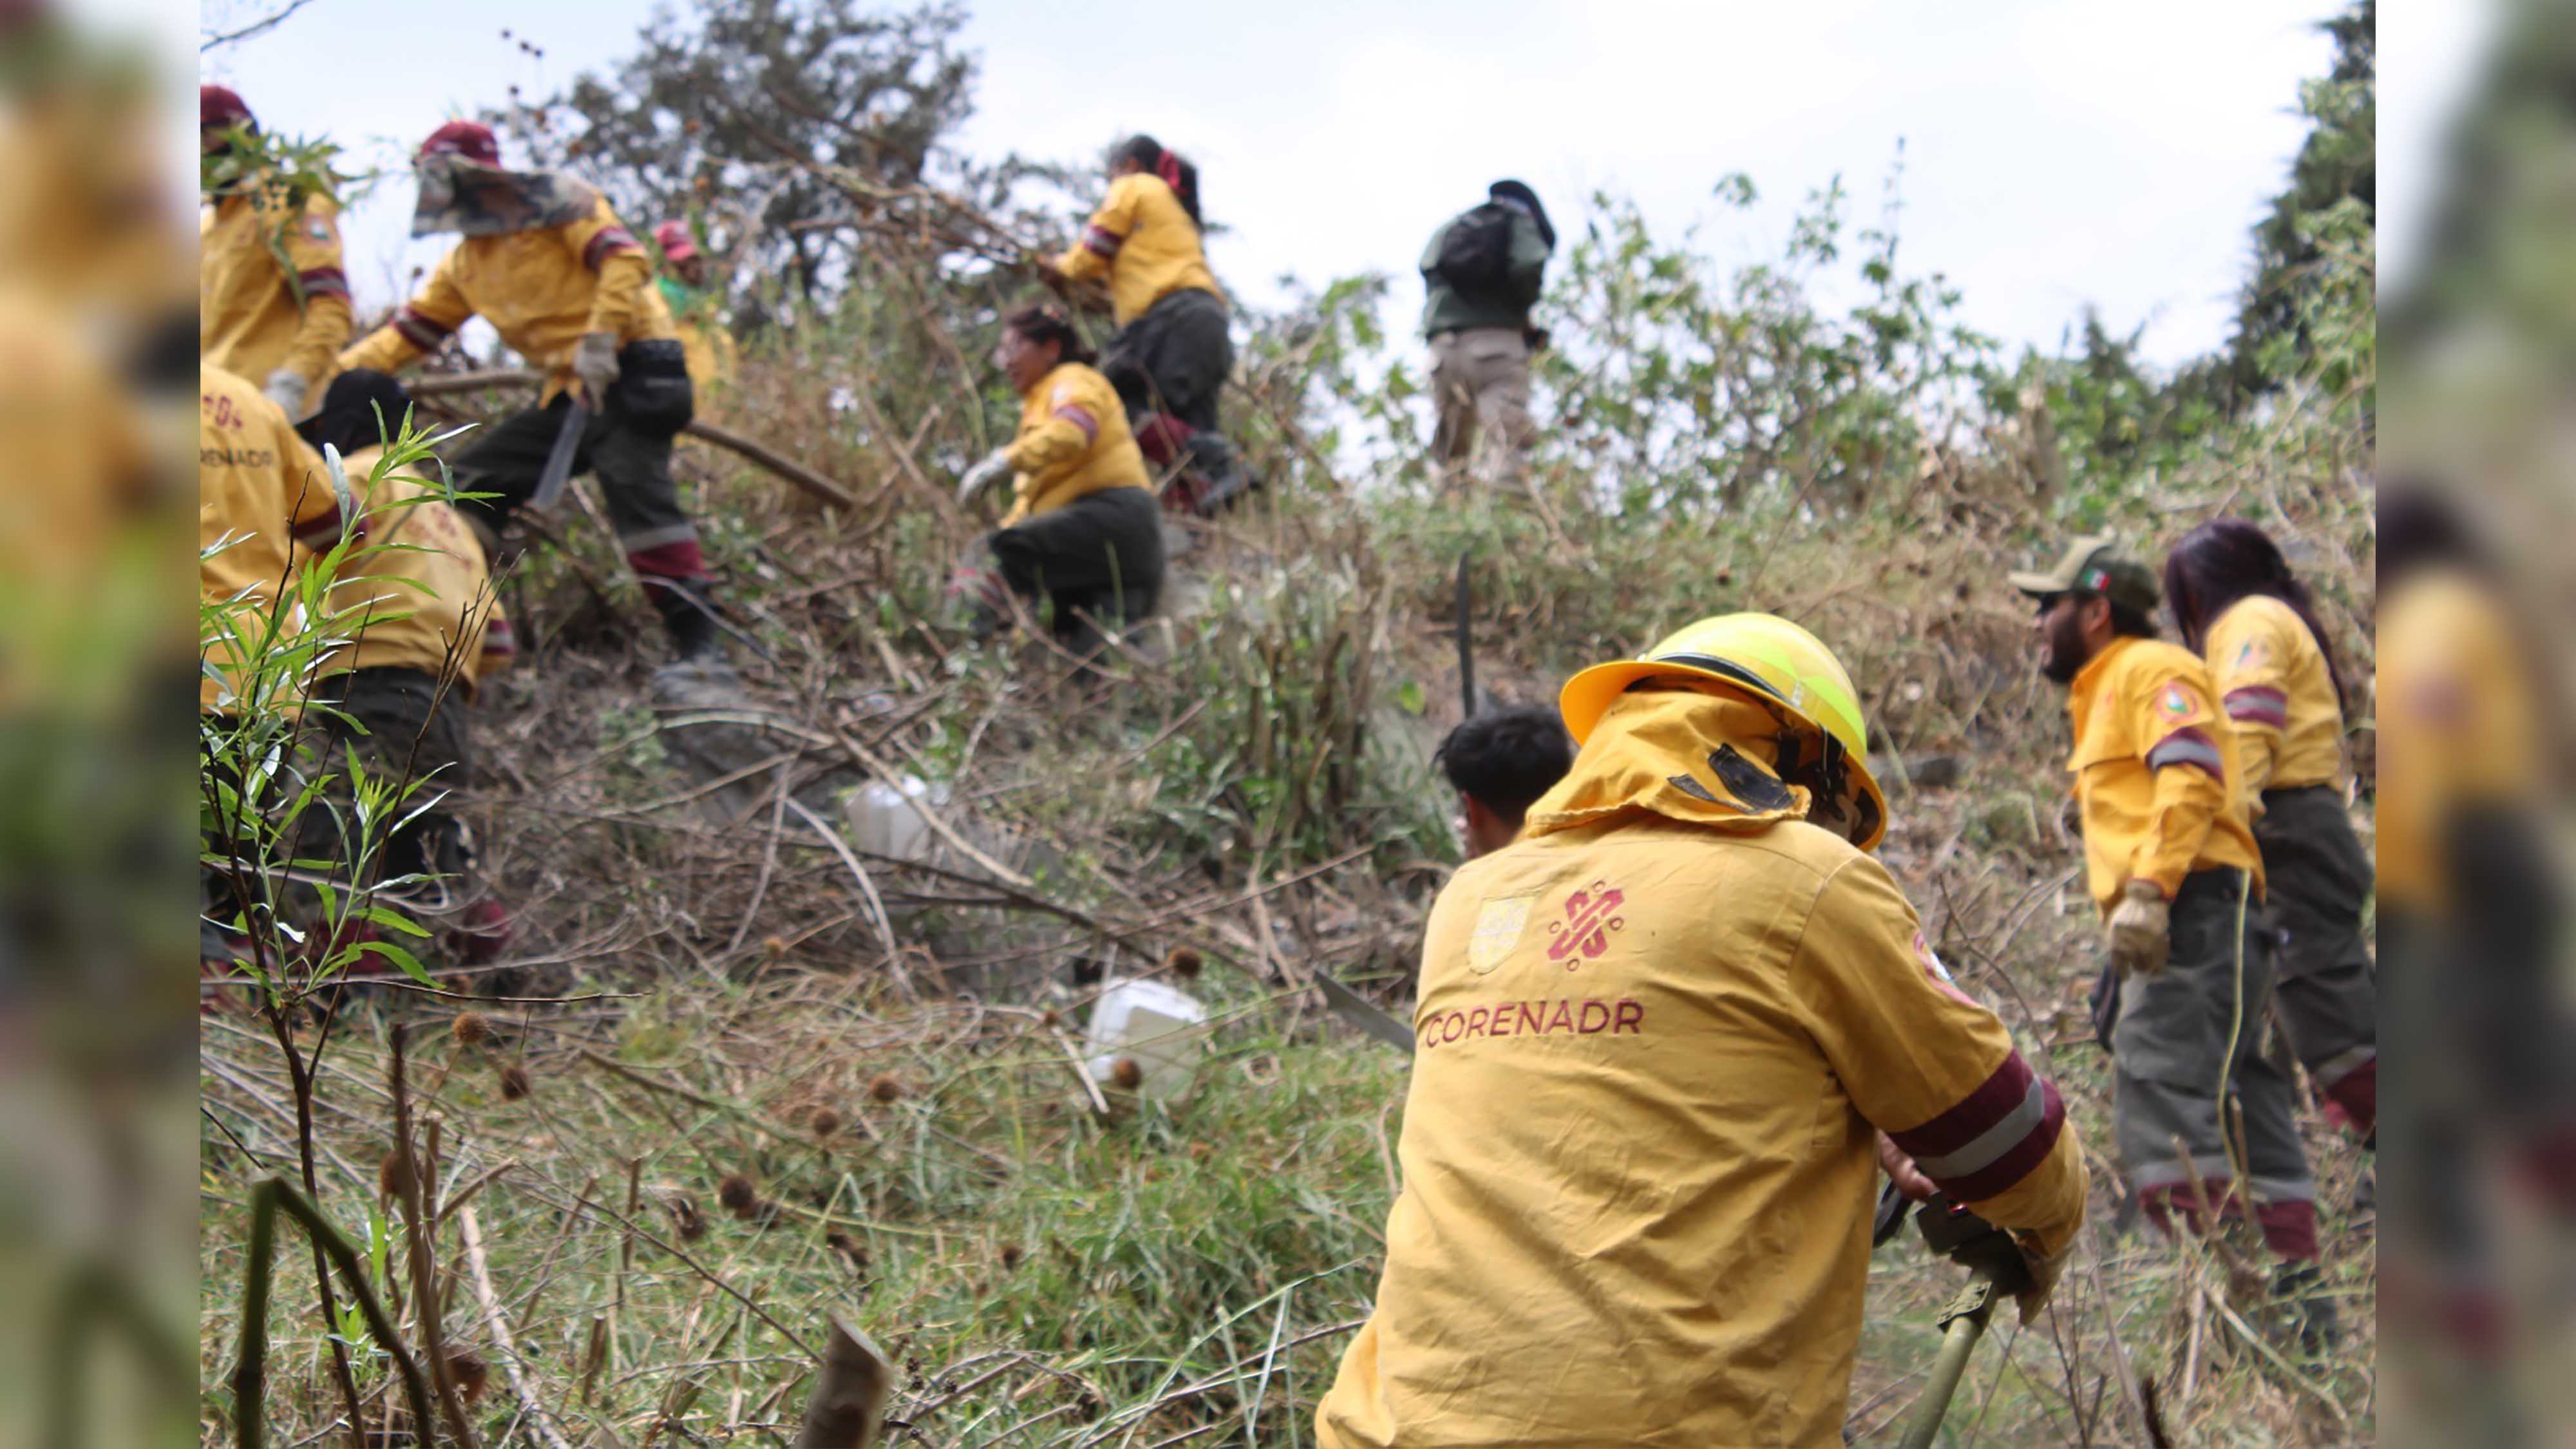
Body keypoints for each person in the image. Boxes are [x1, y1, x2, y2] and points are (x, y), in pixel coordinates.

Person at [1315, 614, 2087, 1448]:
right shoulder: (1808, 878)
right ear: (1804, 764)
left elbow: (1652, 1076)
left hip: (1388, 1425)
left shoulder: (1472, 898)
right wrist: (2041, 1220)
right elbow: (2013, 1145)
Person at [2012, 534, 2325, 1301]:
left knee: (2157, 1080)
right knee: (2243, 1093)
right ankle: (2298, 1293)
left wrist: (2149, 892)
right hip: (2202, 911)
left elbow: (2188, 774)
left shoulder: (2150, 670)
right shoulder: (2108, 685)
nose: (2035, 623)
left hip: (2192, 910)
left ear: (2094, 610)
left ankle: (2192, 1294)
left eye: (2046, 606)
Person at [337, 121, 721, 668]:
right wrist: (326, 378)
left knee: (639, 498)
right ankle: (462, 623)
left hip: (637, 373)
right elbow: (408, 336)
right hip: (572, 393)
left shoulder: (561, 206)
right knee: (469, 488)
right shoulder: (466, 264)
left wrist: (601, 338)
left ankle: (701, 647)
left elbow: (626, 261)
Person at [292, 369, 516, 965]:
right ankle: (500, 982)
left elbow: (315, 532)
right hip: (445, 701)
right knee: (429, 846)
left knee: (334, 845)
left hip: (368, 682)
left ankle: (337, 1007)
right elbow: (498, 645)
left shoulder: (358, 473)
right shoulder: (447, 515)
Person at [2163, 519, 2375, 1144]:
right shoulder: (2274, 617)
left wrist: (2213, 832)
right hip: (2300, 827)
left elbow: (2247, 733)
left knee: (2323, 1007)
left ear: (2198, 592)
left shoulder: (2250, 623)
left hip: (2289, 829)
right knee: (2316, 998)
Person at [1045, 134, 1248, 515]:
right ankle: (1194, 520)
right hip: (1208, 321)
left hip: (1169, 317)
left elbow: (1091, 252)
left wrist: (1058, 267)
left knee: (1107, 404)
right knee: (1186, 433)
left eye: (1112, 175)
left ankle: (1224, 462)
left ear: (1129, 166)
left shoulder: (1136, 186)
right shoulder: (1175, 212)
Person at [952, 304, 1163, 654]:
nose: (1005, 361)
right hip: (1123, 545)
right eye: (1002, 351)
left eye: (1014, 347)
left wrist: (1004, 460)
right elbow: (1033, 508)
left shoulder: (1070, 380)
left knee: (991, 554)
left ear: (1051, 348)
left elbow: (1072, 432)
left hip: (1113, 520)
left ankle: (953, 655)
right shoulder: (1039, 403)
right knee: (1094, 663)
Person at [199, 86, 351, 422]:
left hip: (275, 409)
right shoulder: (209, 229)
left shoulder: (287, 202)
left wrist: (293, 383)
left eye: (202, 139)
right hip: (213, 411)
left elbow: (329, 304)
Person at [1420, 180, 1554, 491]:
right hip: (1498, 349)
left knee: (1451, 455)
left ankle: (1448, 522)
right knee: (1508, 447)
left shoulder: (1454, 227)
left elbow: (1427, 266)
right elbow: (1529, 264)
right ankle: (1508, 531)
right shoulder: (1518, 222)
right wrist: (1519, 309)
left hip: (1443, 352)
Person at [1432, 705, 1571, 858]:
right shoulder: (1596, 854)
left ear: (1473, 810)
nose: (1460, 824)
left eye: (1463, 810)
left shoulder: (1480, 880)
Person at [653, 218, 738, 414]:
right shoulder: (657, 314)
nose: (693, 268)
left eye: (695, 260)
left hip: (715, 419)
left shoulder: (708, 317)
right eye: (683, 264)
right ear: (667, 266)